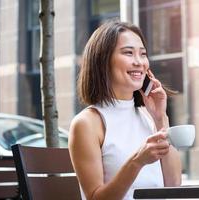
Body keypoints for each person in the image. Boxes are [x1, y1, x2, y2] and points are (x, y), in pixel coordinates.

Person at [68, 20, 182, 200]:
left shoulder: (148, 116)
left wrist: (161, 119)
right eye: (128, 53)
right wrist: (137, 161)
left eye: (143, 54)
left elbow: (174, 185)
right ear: (103, 60)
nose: (139, 62)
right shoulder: (87, 123)